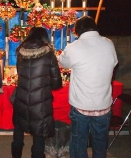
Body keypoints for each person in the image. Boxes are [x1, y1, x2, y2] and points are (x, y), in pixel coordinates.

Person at [58, 16, 118, 158]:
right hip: (103, 106)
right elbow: (114, 63)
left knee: (79, 142)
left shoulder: (73, 47)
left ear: (78, 31)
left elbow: (63, 63)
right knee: (100, 143)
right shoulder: (109, 44)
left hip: (81, 106)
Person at [12, 27, 62, 158]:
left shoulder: (20, 52)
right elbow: (57, 83)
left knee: (18, 129)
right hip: (40, 101)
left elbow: (20, 74)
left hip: (21, 98)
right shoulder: (49, 54)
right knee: (39, 134)